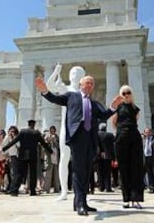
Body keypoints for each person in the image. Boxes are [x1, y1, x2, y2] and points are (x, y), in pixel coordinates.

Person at [36, 75, 123, 216]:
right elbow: (55, 99)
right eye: (87, 83)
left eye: (92, 84)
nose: (90, 85)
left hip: (91, 139)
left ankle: (80, 202)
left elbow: (104, 115)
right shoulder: (72, 96)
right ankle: (80, 203)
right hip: (77, 136)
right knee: (78, 170)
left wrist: (113, 107)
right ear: (81, 85)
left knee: (87, 171)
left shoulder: (94, 103)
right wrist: (45, 91)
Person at [45, 63, 85, 201]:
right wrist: (56, 71)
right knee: (64, 159)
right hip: (66, 129)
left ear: (83, 77)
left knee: (80, 162)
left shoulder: (83, 94)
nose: (75, 76)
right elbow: (49, 86)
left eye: (79, 74)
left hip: (80, 131)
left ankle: (80, 191)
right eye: (73, 73)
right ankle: (63, 191)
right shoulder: (65, 89)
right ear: (69, 75)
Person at [110, 85, 144, 209]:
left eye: (128, 92)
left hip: (134, 137)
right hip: (121, 137)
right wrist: (122, 132)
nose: (126, 95)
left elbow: (135, 121)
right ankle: (126, 198)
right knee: (123, 169)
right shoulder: (117, 108)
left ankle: (136, 198)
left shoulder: (136, 108)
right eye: (123, 93)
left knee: (136, 168)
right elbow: (114, 123)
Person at [2, 119, 53, 197]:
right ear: (34, 125)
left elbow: (14, 141)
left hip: (23, 155)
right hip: (33, 155)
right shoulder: (36, 133)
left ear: (28, 124)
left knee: (20, 173)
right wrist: (51, 151)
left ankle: (14, 191)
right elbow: (43, 143)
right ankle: (32, 191)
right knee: (33, 174)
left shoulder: (22, 132)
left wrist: (4, 148)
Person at [97, 123, 115, 192]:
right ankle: (108, 187)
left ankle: (101, 187)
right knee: (108, 172)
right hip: (108, 156)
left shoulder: (97, 135)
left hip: (99, 156)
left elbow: (97, 144)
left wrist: (100, 152)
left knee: (100, 172)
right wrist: (113, 157)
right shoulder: (110, 135)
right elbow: (113, 146)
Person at [43, 126, 60, 193]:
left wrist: (55, 141)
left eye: (54, 130)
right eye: (51, 131)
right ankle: (46, 189)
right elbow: (44, 145)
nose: (52, 132)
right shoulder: (47, 136)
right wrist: (49, 140)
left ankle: (57, 188)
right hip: (49, 156)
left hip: (56, 156)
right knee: (48, 173)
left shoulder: (57, 137)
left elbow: (59, 146)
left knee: (56, 174)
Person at [143, 127, 154, 193]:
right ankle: (151, 187)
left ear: (151, 132)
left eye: (148, 132)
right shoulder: (144, 140)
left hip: (153, 157)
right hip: (146, 157)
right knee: (149, 173)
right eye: (145, 132)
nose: (147, 133)